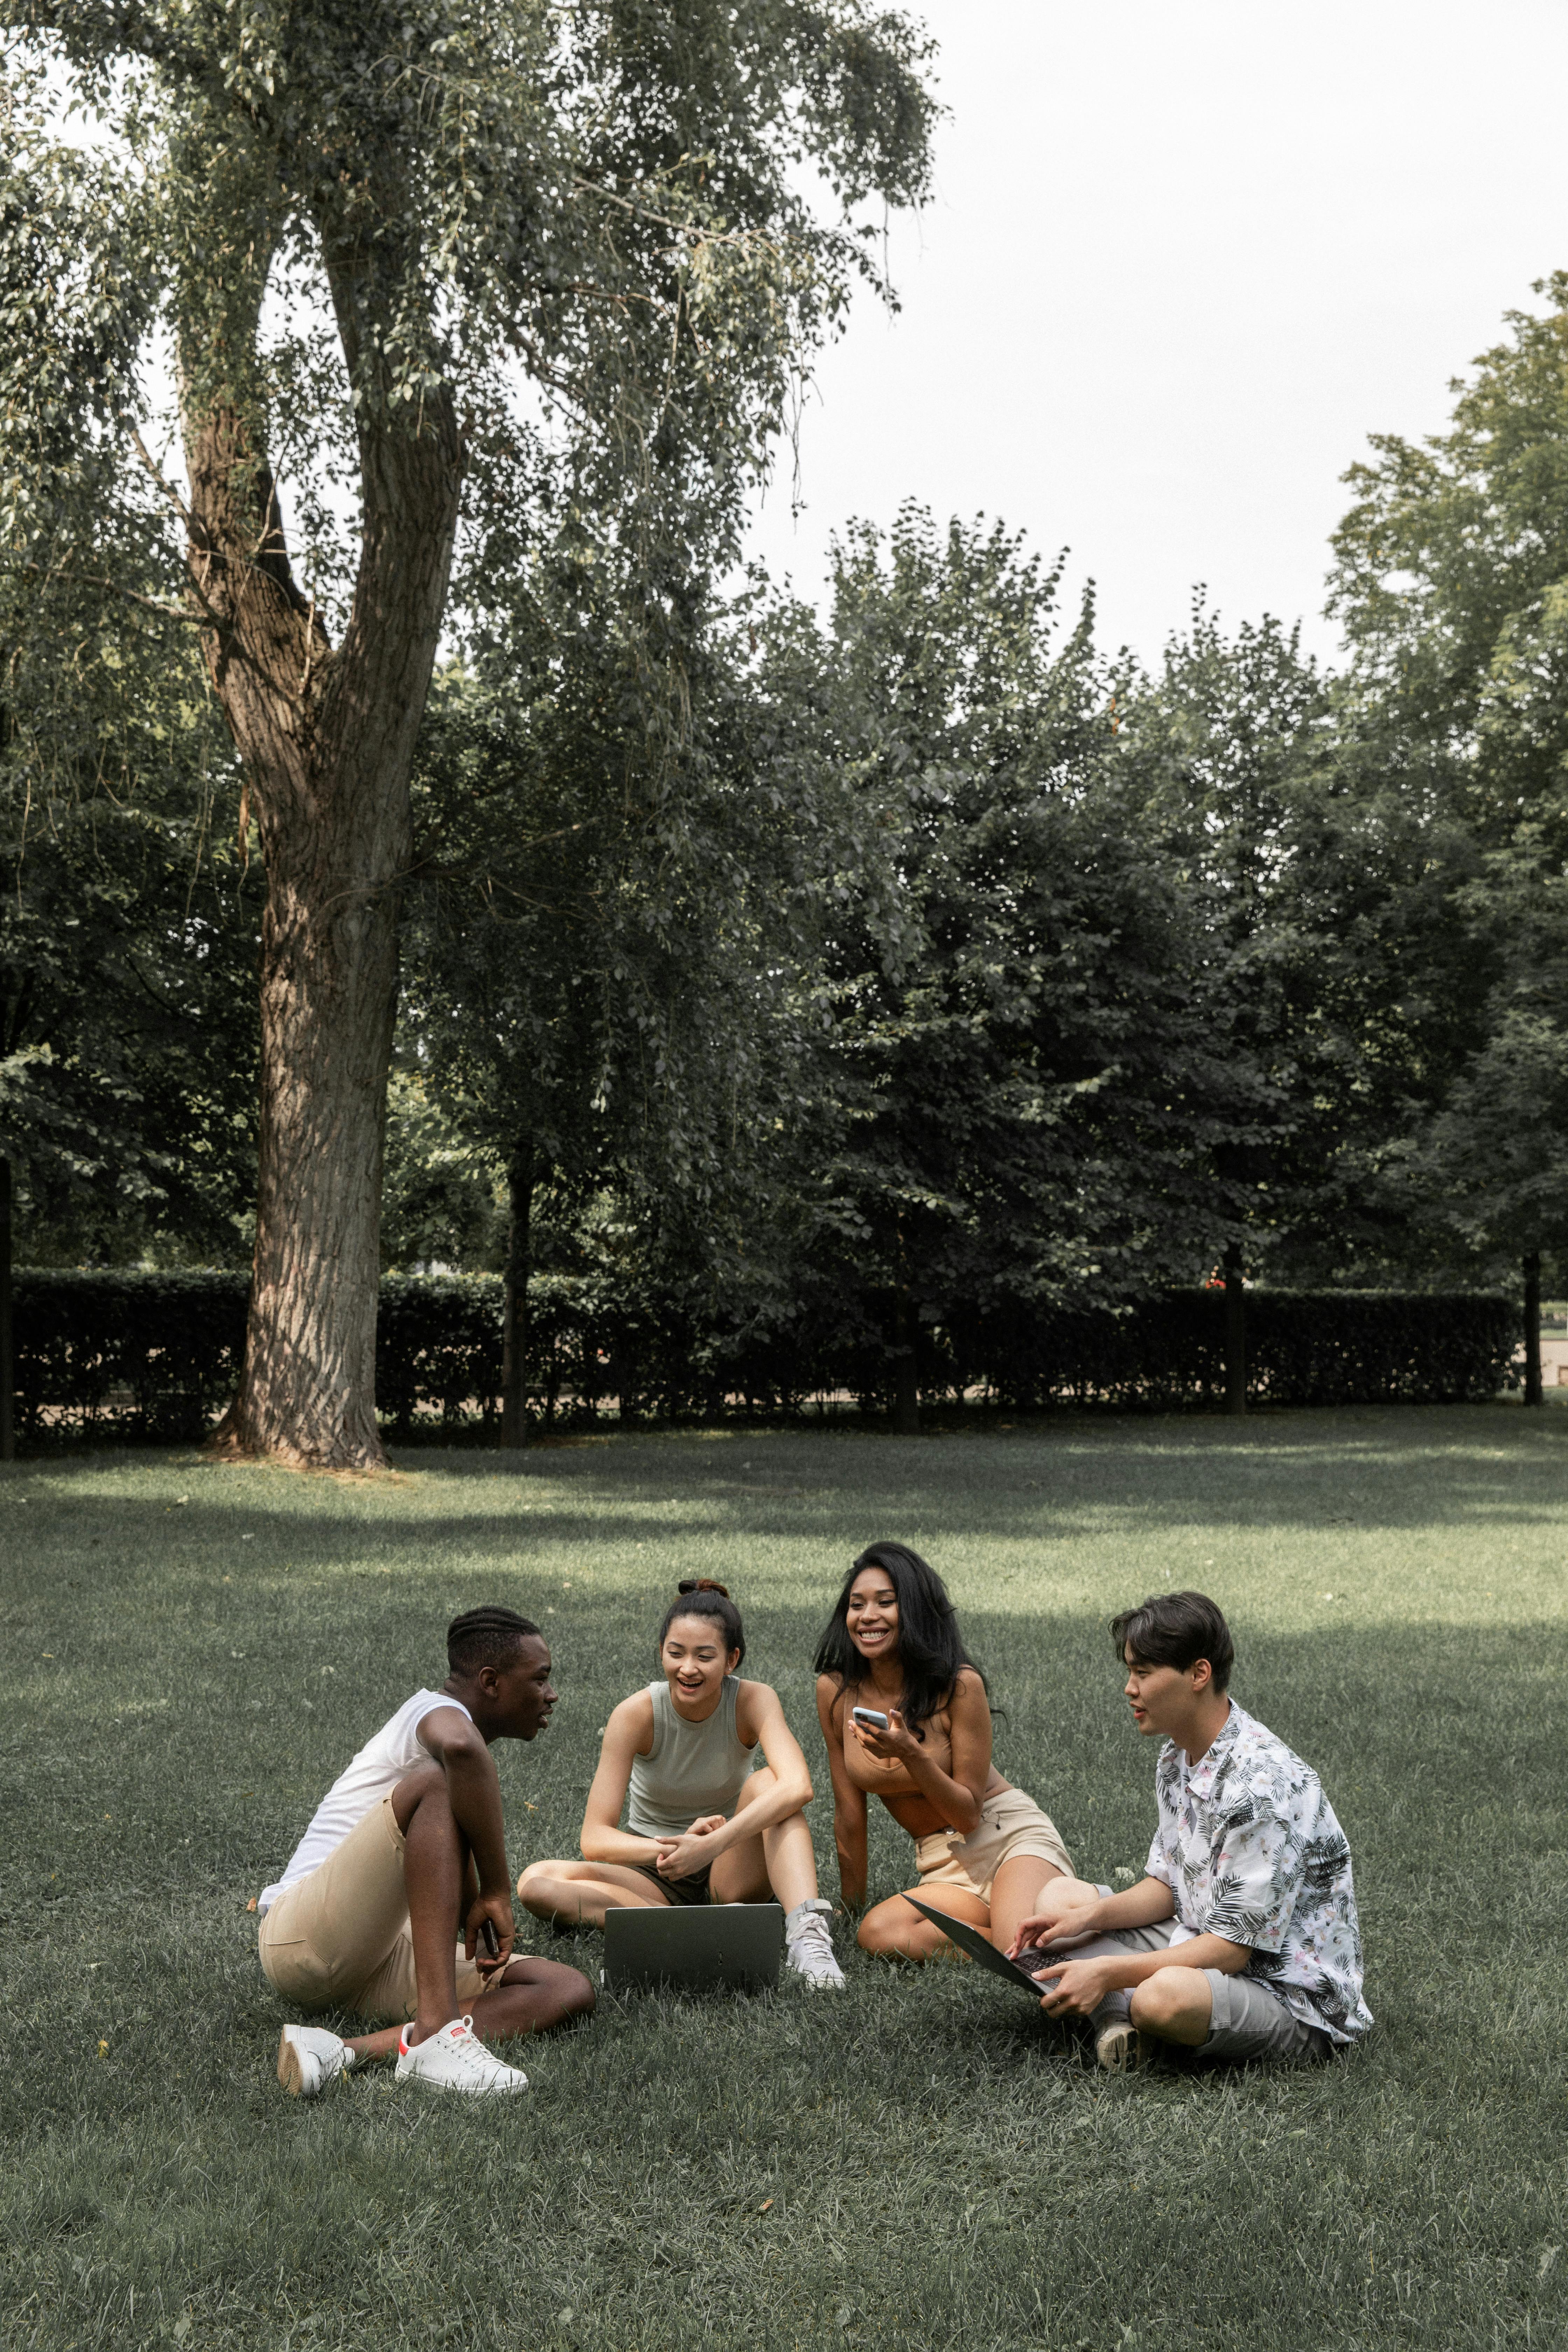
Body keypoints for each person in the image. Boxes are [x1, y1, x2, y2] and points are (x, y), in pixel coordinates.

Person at [1009, 1590, 1373, 2072]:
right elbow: (1168, 1886)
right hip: (1198, 1938)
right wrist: (1089, 1919)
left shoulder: (1261, 1785)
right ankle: (1119, 2021)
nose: (1129, 1689)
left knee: (1163, 1999)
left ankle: (1125, 2010)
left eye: (1143, 1673)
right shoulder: (1177, 1755)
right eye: (1130, 1672)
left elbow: (1232, 1951)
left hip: (1287, 1994)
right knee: (1059, 1900)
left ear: (1199, 1674)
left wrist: (1110, 1968)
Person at [258, 1604, 595, 2099]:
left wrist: (471, 1905)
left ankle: (338, 2050)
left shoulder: (452, 1731)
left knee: (566, 1990)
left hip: (373, 1958)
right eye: (541, 1679)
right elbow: (460, 1749)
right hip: (300, 1941)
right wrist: (497, 1891)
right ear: (491, 1681)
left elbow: (433, 1849)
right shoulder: (434, 1715)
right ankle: (438, 2034)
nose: (551, 1694)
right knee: (437, 1784)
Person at [517, 1580, 846, 1989]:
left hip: (728, 1868)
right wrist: (673, 1850)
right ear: (662, 1654)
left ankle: (808, 1937)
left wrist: (710, 1845)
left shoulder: (754, 1700)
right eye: (676, 1653)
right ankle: (683, 1930)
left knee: (770, 1784)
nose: (687, 1668)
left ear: (732, 1660)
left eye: (704, 1656)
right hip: (653, 1873)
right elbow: (595, 1838)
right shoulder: (635, 1714)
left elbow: (799, 1786)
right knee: (536, 1881)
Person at [814, 1542, 1095, 1960]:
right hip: (942, 1865)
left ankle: (1055, 1918)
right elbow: (849, 1816)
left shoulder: (959, 1685)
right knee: (878, 1933)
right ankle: (1025, 1930)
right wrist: (850, 1908)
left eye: (885, 1603)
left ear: (914, 1610)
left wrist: (912, 1753)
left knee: (1016, 1950)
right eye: (857, 1605)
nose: (868, 1616)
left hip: (1005, 1839)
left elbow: (966, 1814)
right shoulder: (834, 1692)